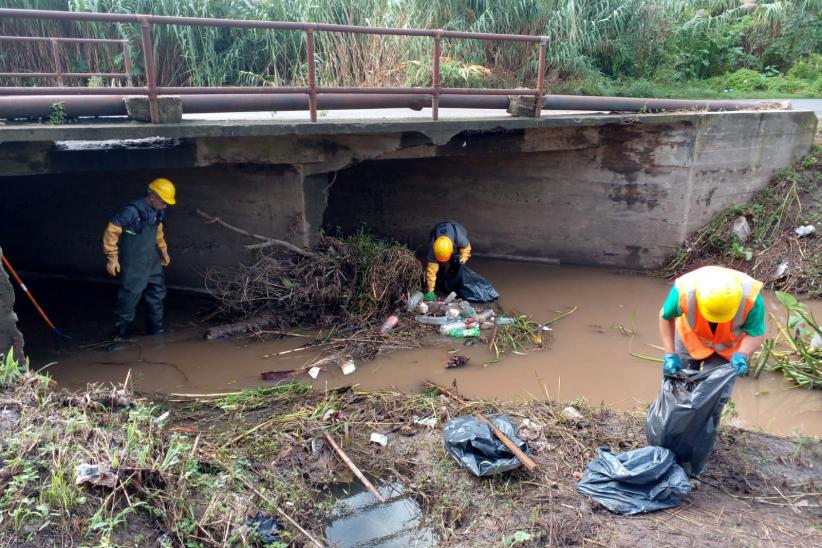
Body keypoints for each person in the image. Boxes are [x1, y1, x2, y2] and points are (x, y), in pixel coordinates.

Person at [659, 265, 766, 383]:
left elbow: (756, 332)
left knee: (717, 384)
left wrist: (742, 354)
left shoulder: (751, 298)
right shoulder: (684, 291)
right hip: (690, 336)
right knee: (679, 379)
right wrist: (670, 353)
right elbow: (665, 317)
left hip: (727, 345)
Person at [102, 178, 176, 340]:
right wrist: (112, 258)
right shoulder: (131, 211)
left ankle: (156, 331)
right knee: (130, 296)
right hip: (134, 263)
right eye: (164, 202)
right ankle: (119, 335)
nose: (166, 206)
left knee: (157, 293)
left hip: (152, 261)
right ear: (152, 196)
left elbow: (158, 231)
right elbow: (111, 232)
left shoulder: (158, 211)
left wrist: (163, 250)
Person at [423, 220, 472, 302]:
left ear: (452, 249)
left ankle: (454, 280)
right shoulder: (433, 246)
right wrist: (430, 291)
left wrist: (462, 259)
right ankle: (440, 281)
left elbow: (466, 248)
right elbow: (431, 271)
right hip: (437, 229)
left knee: (457, 260)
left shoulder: (459, 238)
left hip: (456, 228)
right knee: (437, 267)